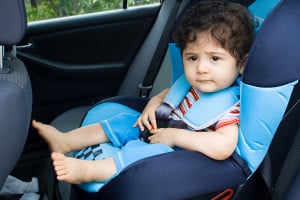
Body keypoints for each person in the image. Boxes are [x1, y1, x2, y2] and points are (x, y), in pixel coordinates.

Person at [32, 0, 255, 190]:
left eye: (214, 58)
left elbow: (223, 146)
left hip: (178, 152)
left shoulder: (230, 106)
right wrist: (151, 107)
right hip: (161, 127)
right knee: (123, 122)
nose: (201, 68)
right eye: (192, 58)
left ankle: (90, 171)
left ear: (241, 64)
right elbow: (166, 96)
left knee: (141, 153)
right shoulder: (194, 85)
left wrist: (174, 137)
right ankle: (66, 140)